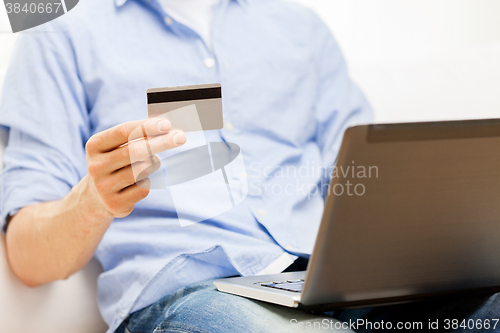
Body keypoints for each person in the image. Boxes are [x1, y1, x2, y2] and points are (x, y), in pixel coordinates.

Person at [0, 0, 498, 332]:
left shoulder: (298, 26)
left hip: (329, 284)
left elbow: (365, 180)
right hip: (197, 297)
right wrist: (94, 199)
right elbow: (26, 257)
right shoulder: (58, 29)